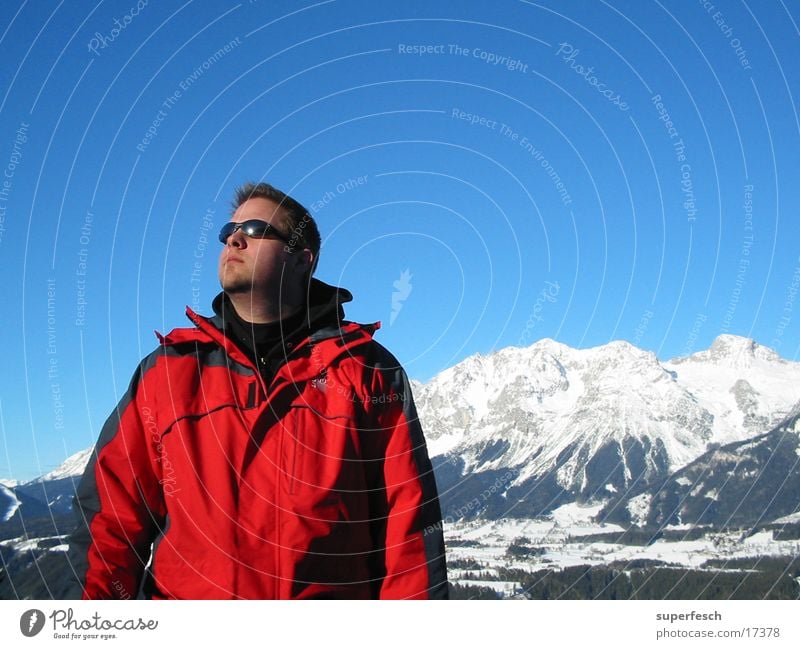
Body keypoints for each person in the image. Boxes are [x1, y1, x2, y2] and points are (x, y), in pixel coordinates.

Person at [67, 182, 448, 599]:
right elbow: (109, 524)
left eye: (254, 229)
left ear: (303, 260)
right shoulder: (168, 375)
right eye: (228, 231)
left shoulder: (368, 372)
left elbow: (408, 532)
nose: (234, 238)